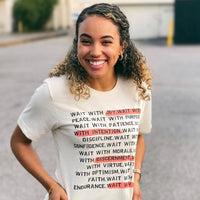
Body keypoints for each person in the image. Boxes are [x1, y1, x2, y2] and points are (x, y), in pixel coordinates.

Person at [10, 3, 152, 200]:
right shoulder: (54, 91)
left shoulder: (138, 89)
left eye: (106, 42)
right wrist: (51, 186)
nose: (95, 51)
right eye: (86, 41)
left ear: (122, 47)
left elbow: (138, 136)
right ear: (76, 44)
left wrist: (135, 179)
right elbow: (19, 142)